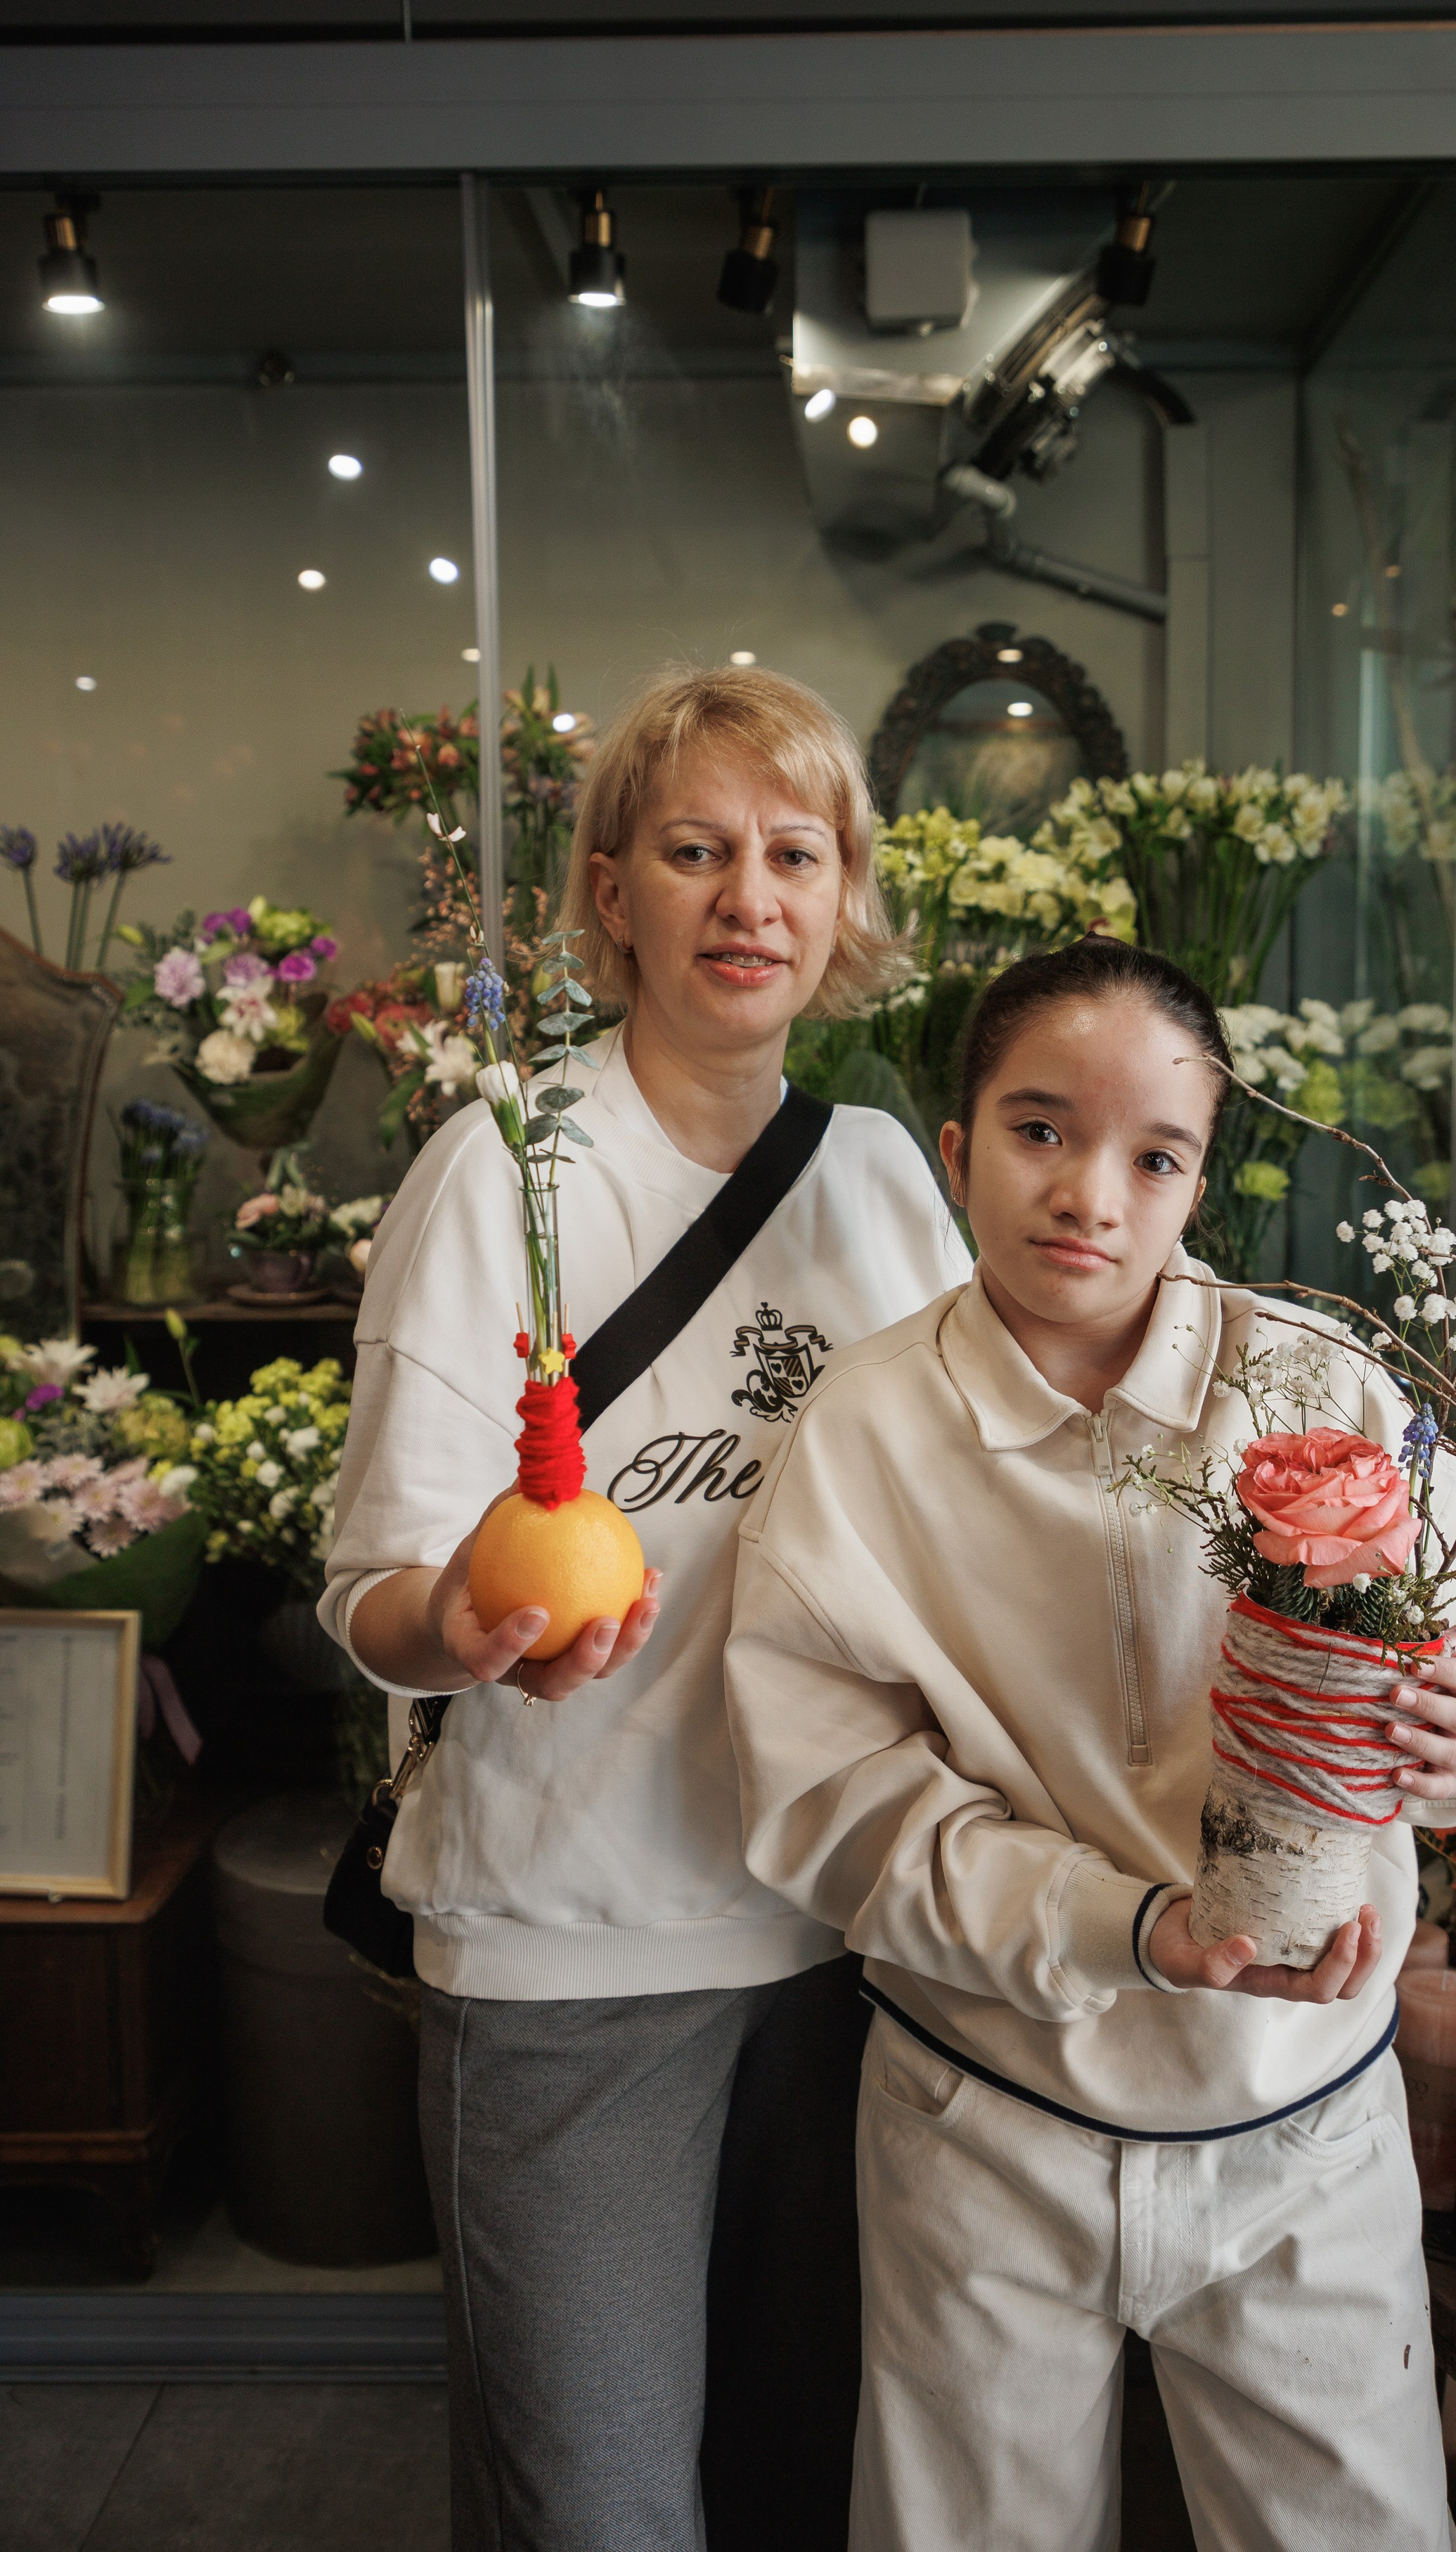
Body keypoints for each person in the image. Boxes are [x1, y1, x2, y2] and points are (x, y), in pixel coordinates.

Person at [723, 938, 1456, 2552]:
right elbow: (836, 1803)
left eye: (1150, 1155)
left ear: (1196, 1184)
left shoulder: (1317, 1380)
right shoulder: (867, 1433)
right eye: (1037, 1129)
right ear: (953, 1151)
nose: (1088, 1192)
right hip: (986, 2122)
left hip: (1302, 2125)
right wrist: (1135, 1929)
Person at [320, 664, 969, 2552]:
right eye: (694, 851)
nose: (747, 897)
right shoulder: (504, 1171)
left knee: (800, 2483)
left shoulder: (883, 1188)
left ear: (846, 894)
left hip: (842, 1947)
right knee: (591, 2507)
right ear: (612, 896)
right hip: (570, 1958)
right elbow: (364, 1591)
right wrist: (459, 1630)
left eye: (793, 853)